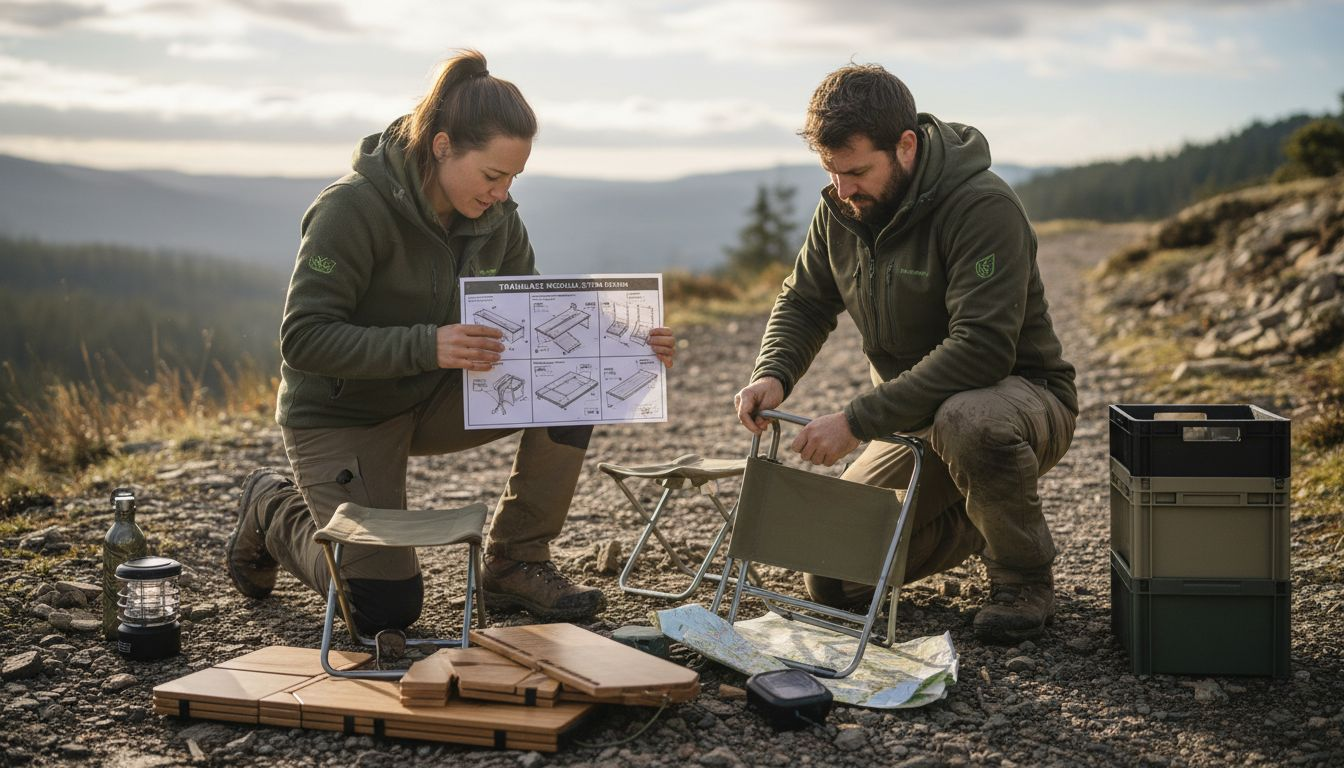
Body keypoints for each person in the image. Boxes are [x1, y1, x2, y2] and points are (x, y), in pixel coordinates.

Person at [226, 50, 676, 633]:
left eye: (513, 177)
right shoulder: (350, 210)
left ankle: (517, 559)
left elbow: (537, 326)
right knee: (382, 612)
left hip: (436, 398)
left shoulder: (499, 219)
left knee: (578, 385)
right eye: (492, 175)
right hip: (345, 413)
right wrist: (428, 346)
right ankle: (272, 506)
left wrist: (628, 346)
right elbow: (303, 339)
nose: (502, 192)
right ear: (442, 146)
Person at [733, 63, 1076, 644]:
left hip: (1016, 402)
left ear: (907, 145)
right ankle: (981, 513)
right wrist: (773, 374)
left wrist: (855, 422)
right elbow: (805, 302)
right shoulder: (842, 209)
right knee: (835, 578)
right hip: (915, 421)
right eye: (832, 172)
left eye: (858, 171)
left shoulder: (982, 207)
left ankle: (1022, 578)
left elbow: (982, 349)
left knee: (968, 418)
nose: (843, 189)